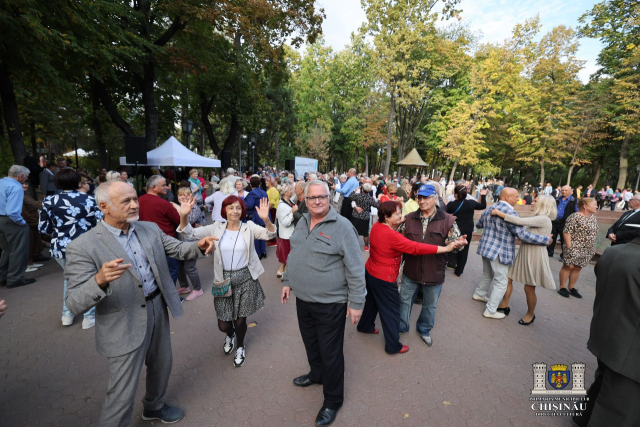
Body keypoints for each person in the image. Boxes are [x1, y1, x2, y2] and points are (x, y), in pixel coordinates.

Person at [64, 180, 216, 426]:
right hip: (122, 320)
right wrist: (99, 280)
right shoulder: (83, 247)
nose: (135, 205)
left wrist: (198, 246)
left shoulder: (149, 229)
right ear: (104, 206)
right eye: (126, 201)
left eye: (135, 198)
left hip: (157, 307)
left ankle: (154, 407)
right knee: (122, 390)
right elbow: (73, 303)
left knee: (162, 364)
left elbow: (177, 249)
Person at [281, 180, 366, 427]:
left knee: (330, 353)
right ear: (304, 201)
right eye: (312, 198)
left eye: (322, 196)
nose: (317, 201)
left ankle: (332, 400)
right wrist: (287, 280)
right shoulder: (303, 220)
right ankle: (316, 375)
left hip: (331, 303)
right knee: (311, 343)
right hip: (303, 300)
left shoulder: (343, 227)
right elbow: (294, 253)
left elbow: (355, 268)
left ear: (330, 198)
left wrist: (357, 302)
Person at [177, 195, 275, 367]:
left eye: (238, 208)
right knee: (223, 324)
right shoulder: (216, 227)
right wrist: (183, 216)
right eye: (230, 208)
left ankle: (240, 346)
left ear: (242, 210)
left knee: (240, 320)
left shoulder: (249, 227)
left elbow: (270, 234)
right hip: (222, 280)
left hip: (245, 278)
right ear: (225, 210)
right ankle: (230, 335)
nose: (234, 211)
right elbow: (189, 233)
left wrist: (267, 220)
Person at [359, 201, 464, 354]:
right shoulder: (391, 235)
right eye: (398, 214)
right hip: (384, 278)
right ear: (387, 217)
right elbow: (416, 248)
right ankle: (393, 345)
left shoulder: (377, 226)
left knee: (372, 302)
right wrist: (446, 248)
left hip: (371, 272)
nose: (402, 217)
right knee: (391, 312)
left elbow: (391, 233)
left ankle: (365, 325)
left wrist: (396, 223)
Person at [572, 236, 640, 427]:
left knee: (605, 381)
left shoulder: (613, 252)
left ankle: (583, 417)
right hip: (630, 347)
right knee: (621, 403)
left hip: (606, 334)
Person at [38, 168, 103, 327]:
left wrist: (60, 232)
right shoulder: (90, 200)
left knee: (70, 279)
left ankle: (67, 315)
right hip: (86, 246)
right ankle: (88, 317)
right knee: (87, 279)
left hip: (60, 247)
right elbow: (101, 223)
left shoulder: (49, 201)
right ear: (78, 182)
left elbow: (43, 228)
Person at [398, 184, 462, 346]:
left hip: (434, 272)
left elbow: (453, 242)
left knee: (430, 305)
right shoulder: (410, 218)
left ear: (435, 198)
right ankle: (401, 326)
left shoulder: (448, 220)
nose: (422, 201)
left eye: (426, 197)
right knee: (404, 301)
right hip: (411, 271)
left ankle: (424, 329)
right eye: (419, 197)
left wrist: (458, 244)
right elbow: (399, 239)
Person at [473, 188, 551, 319]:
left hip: (486, 247)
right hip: (499, 251)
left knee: (488, 274)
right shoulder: (510, 212)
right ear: (506, 197)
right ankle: (490, 310)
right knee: (501, 282)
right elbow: (521, 235)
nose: (518, 199)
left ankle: (479, 293)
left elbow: (479, 225)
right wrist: (545, 239)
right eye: (515, 197)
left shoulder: (490, 208)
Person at [490, 195, 557, 325]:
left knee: (529, 288)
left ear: (543, 205)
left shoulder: (544, 219)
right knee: (508, 278)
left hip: (535, 255)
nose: (533, 202)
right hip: (524, 253)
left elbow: (519, 222)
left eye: (536, 201)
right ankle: (504, 304)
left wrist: (499, 213)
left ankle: (530, 314)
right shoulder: (537, 218)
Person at [138, 175, 182, 284]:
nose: (166, 187)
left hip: (145, 242)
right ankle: (170, 298)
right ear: (154, 187)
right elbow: (180, 221)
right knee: (171, 270)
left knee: (153, 271)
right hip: (166, 243)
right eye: (163, 185)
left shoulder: (138, 201)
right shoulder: (164, 204)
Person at [0, 165, 35, 289]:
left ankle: (3, 276)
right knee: (18, 250)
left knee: (6, 250)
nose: (26, 180)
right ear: (20, 176)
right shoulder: (16, 187)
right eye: (26, 177)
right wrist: (22, 223)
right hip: (11, 220)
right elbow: (13, 211)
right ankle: (15, 278)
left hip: (1, 220)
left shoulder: (1, 182)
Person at [557, 197, 598, 299]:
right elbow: (567, 232)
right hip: (574, 246)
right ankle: (562, 287)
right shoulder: (574, 217)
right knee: (568, 266)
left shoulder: (592, 217)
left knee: (578, 267)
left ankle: (571, 287)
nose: (596, 206)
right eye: (594, 204)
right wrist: (569, 246)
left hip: (587, 248)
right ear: (585, 206)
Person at [446, 184, 487, 276]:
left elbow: (444, 214)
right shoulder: (471, 203)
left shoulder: (451, 205)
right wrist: (483, 195)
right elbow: (483, 205)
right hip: (467, 228)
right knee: (464, 249)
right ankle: (459, 270)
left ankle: (448, 263)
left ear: (456, 194)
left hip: (455, 228)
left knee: (451, 245)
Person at [173, 187, 204, 301]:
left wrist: (176, 208)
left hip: (191, 242)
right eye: (180, 195)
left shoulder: (194, 208)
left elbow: (187, 221)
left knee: (190, 267)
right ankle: (184, 286)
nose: (183, 197)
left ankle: (197, 289)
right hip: (178, 242)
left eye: (186, 195)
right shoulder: (179, 207)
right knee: (180, 266)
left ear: (191, 195)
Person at [547, 185, 578, 260]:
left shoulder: (574, 200)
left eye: (566, 190)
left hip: (566, 222)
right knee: (552, 237)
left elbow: (576, 212)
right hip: (554, 221)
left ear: (571, 192)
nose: (564, 191)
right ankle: (549, 253)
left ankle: (563, 256)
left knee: (564, 239)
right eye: (562, 190)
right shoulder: (557, 199)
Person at [244, 176, 270, 259]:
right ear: (259, 183)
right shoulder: (264, 192)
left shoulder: (252, 193)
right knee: (262, 234)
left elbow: (249, 205)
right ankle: (263, 251)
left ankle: (258, 254)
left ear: (250, 184)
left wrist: (241, 201)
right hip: (264, 215)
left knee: (256, 236)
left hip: (256, 216)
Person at [350, 183, 379, 251]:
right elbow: (376, 205)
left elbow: (350, 196)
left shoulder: (357, 196)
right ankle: (366, 246)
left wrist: (355, 190)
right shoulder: (370, 198)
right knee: (365, 232)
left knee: (354, 231)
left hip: (356, 215)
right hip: (365, 216)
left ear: (362, 189)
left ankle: (353, 245)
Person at [275, 184, 295, 278]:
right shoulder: (282, 206)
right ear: (286, 193)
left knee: (285, 256)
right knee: (288, 257)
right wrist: (292, 213)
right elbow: (285, 222)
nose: (292, 191)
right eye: (291, 190)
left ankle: (280, 271)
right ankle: (287, 277)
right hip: (287, 235)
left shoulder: (288, 200)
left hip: (288, 234)